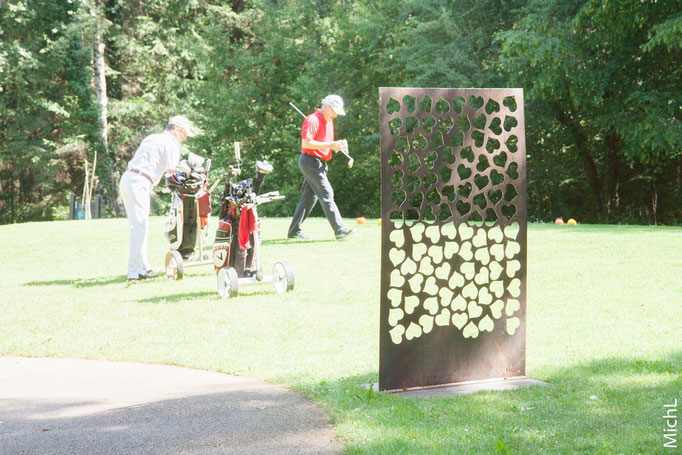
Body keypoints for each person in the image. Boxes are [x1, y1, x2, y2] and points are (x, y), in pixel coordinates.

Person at [119, 115, 196, 281]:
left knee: (140, 226)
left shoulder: (153, 137)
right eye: (184, 134)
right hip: (139, 182)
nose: (184, 139)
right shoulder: (171, 144)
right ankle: (133, 272)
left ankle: (143, 266)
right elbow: (172, 174)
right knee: (139, 227)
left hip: (128, 179)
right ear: (177, 130)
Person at [287, 95, 353, 240]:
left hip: (320, 163)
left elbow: (324, 143)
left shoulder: (329, 122)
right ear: (326, 107)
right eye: (334, 111)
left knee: (309, 198)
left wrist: (336, 146)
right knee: (327, 193)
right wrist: (330, 145)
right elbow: (306, 143)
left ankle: (294, 231)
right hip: (310, 161)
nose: (336, 115)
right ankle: (340, 230)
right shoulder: (312, 120)